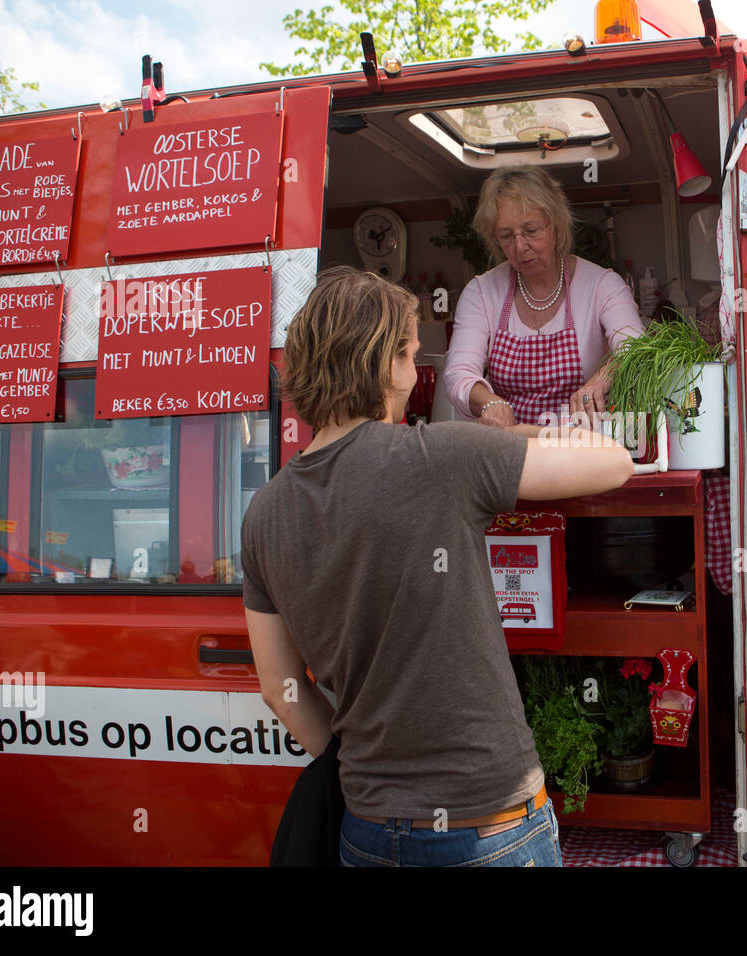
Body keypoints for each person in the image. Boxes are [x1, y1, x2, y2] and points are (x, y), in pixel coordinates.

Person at [240, 265, 634, 867]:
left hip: (366, 827)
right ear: (384, 365)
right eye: (409, 353)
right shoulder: (440, 455)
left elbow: (280, 689)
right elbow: (611, 462)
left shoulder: (263, 512)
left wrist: (359, 770)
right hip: (487, 822)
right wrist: (517, 435)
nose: (416, 369)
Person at [443, 166, 644, 427]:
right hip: (512, 450)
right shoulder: (481, 292)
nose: (520, 247)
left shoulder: (602, 286)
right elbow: (459, 374)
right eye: (506, 236)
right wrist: (490, 402)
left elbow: (636, 349)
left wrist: (601, 380)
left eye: (531, 230)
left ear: (556, 224)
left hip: (583, 449)